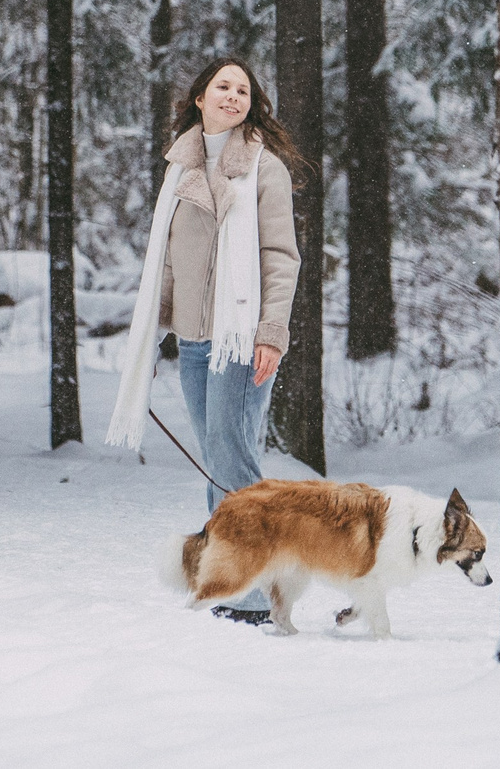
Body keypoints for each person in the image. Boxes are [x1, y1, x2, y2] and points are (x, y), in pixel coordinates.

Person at [104, 56, 301, 625]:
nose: (234, 96)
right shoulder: (180, 167)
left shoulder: (266, 170)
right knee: (218, 461)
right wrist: (157, 332)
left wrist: (272, 334)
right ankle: (233, 576)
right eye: (224, 87)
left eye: (243, 90)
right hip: (193, 341)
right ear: (200, 98)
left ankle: (249, 594)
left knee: (232, 460)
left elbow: (280, 259)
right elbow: (169, 259)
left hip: (240, 343)